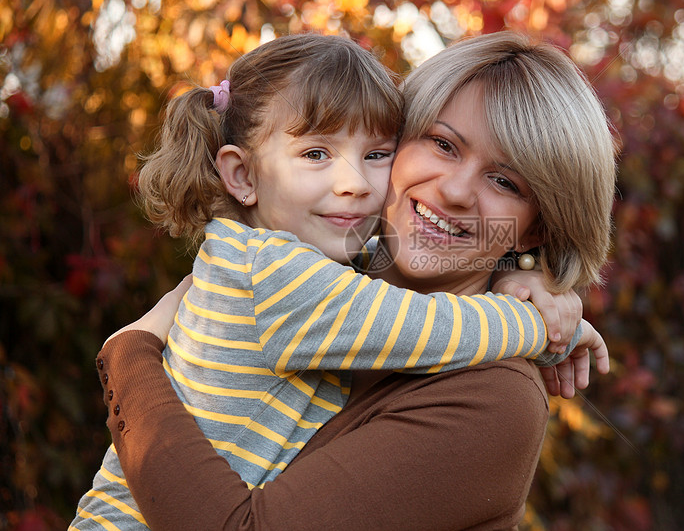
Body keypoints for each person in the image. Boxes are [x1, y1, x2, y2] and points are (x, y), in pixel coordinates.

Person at [89, 31, 617, 530]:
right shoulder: (316, 268)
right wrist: (533, 310)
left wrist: (129, 353)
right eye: (442, 144)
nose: (456, 190)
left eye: (505, 181)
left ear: (538, 227)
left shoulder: (492, 399)